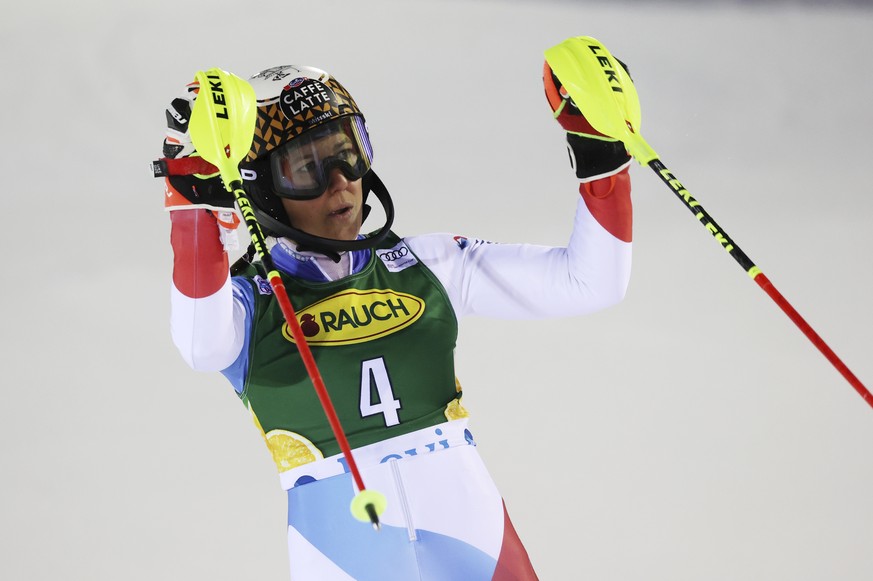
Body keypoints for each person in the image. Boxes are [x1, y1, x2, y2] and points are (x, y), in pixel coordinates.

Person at [155, 57, 633, 580]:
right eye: (306, 168)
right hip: (344, 557)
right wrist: (193, 211)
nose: (339, 183)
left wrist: (600, 154)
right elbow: (200, 344)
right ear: (262, 187)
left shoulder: (431, 265)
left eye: (347, 154)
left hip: (477, 543)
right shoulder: (249, 306)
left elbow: (591, 282)